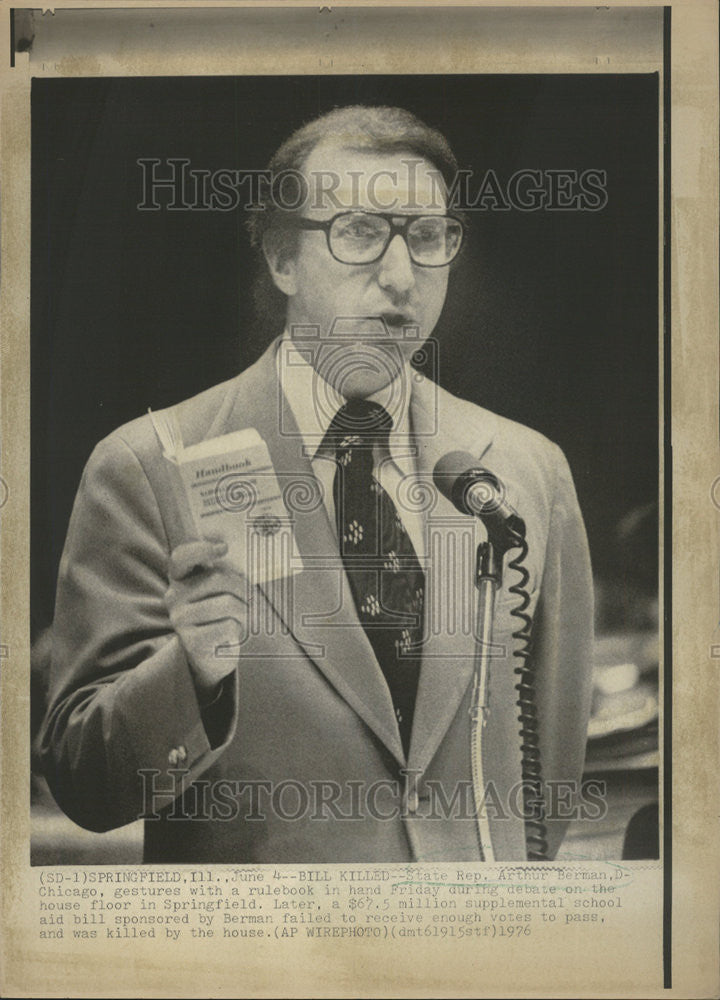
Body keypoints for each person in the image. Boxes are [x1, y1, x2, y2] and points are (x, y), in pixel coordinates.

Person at [40, 105, 594, 863]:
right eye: (361, 232)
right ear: (282, 261)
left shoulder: (525, 469)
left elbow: (550, 775)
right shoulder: (150, 465)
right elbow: (84, 782)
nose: (401, 277)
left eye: (427, 239)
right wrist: (192, 674)